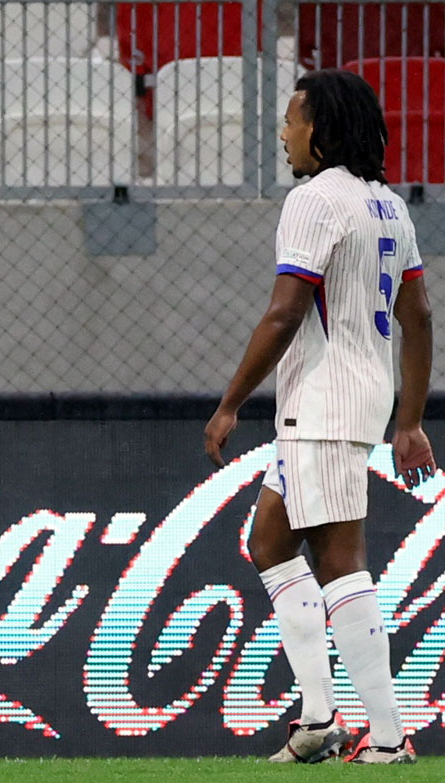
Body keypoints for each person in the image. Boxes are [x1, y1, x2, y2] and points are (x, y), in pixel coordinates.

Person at [205, 69, 432, 766]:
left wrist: (230, 402)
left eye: (291, 120)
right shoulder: (390, 206)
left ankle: (388, 737)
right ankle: (318, 719)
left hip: (322, 401)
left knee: (339, 559)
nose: (283, 132)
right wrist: (409, 417)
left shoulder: (314, 200)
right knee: (268, 542)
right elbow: (419, 314)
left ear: (322, 130)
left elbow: (285, 310)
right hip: (356, 398)